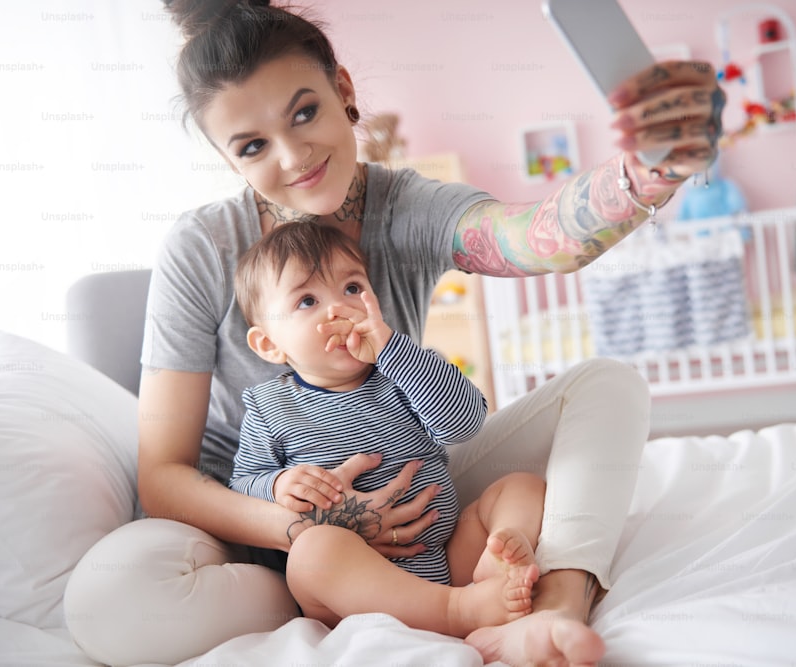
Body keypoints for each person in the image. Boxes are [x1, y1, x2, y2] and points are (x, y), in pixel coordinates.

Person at [62, 1, 724, 665]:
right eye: (253, 146)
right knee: (109, 602)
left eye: (304, 113)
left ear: (342, 91)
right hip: (261, 525)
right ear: (226, 157)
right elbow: (165, 476)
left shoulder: (410, 206)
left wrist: (650, 168)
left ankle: (549, 609)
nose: (294, 157)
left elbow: (531, 240)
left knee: (607, 386)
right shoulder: (203, 245)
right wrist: (316, 523)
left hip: (408, 483)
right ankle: (332, 593)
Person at [228, 221, 547, 634]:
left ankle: (503, 552)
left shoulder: (404, 373)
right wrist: (276, 485)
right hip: (355, 591)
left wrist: (393, 351)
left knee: (521, 486)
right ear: (269, 344)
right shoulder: (269, 408)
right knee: (314, 552)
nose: (337, 310)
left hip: (445, 558)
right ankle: (456, 611)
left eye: (352, 288)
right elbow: (242, 483)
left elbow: (467, 422)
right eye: (307, 300)